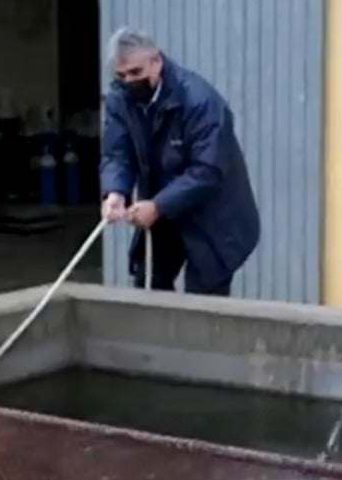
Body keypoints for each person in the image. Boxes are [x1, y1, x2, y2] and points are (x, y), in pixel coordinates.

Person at [98, 28, 260, 295]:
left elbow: (207, 171)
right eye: (121, 75)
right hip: (162, 208)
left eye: (136, 73)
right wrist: (116, 191)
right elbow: (117, 152)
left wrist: (158, 205)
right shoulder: (120, 99)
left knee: (204, 303)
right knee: (149, 286)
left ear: (156, 62)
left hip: (212, 214)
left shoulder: (201, 101)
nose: (128, 81)